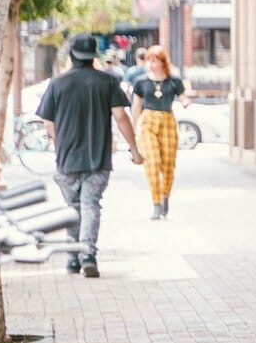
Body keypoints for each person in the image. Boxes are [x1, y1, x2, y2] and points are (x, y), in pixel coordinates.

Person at [36, 33, 143, 277]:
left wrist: (58, 142)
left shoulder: (57, 84)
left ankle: (73, 258)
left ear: (72, 55)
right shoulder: (108, 82)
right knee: (91, 205)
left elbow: (48, 122)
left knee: (72, 207)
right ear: (94, 55)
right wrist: (134, 149)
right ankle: (88, 255)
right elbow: (121, 117)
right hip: (98, 157)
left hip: (67, 159)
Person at [131, 46, 188, 220]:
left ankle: (165, 197)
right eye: (150, 60)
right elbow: (136, 106)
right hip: (148, 120)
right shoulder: (141, 81)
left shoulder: (173, 81)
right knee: (152, 162)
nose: (152, 64)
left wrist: (186, 101)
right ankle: (156, 203)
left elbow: (183, 95)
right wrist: (133, 132)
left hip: (167, 120)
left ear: (163, 62)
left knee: (168, 165)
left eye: (155, 60)